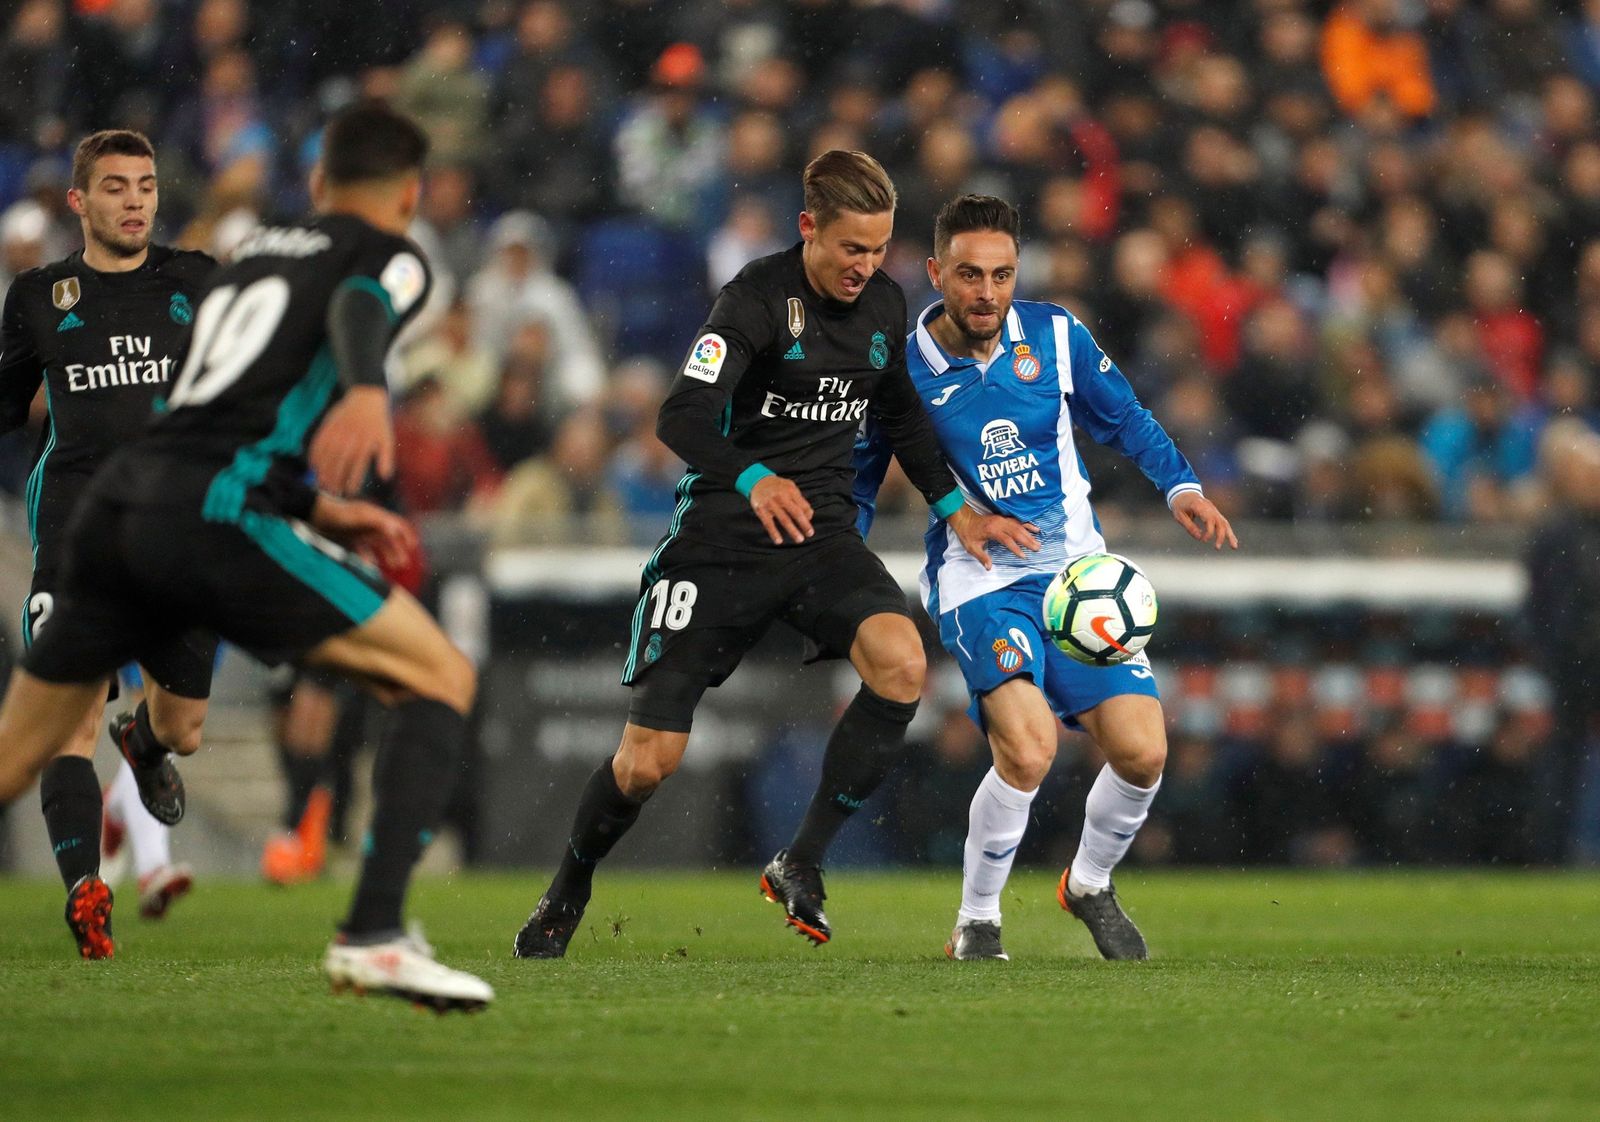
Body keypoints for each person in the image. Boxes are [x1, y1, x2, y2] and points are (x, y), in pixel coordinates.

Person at [0, 102, 492, 1012]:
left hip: (114, 512)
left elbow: (199, 413)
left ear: (315, 182)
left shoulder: (250, 258)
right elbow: (358, 304)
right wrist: (367, 388)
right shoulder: (385, 254)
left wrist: (316, 506)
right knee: (440, 679)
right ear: (409, 193)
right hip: (214, 516)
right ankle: (375, 935)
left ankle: (144, 741)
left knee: (16, 752)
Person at [513, 151, 1035, 958]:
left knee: (900, 664)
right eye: (850, 249)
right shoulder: (754, 301)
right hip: (719, 538)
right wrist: (753, 476)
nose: (866, 267)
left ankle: (801, 859)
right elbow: (681, 418)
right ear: (808, 230)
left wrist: (955, 510)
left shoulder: (886, 307)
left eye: (878, 250)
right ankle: (568, 887)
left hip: (819, 534)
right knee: (648, 762)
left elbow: (898, 413)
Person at [855, 195, 1237, 961]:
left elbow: (1125, 416)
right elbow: (862, 480)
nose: (986, 292)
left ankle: (1088, 883)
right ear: (936, 273)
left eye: (1001, 275)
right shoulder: (899, 368)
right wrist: (837, 575)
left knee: (1143, 754)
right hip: (980, 580)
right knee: (1028, 750)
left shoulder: (1055, 336)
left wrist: (1181, 486)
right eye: (968, 275)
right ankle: (979, 918)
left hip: (1075, 581)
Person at [0, 129, 218, 949]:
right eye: (117, 187)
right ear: (79, 202)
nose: (135, 201)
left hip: (175, 525)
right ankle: (86, 891)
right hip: (78, 524)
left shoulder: (197, 282)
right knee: (68, 717)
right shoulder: (38, 295)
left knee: (185, 726)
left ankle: (145, 740)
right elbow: (8, 400)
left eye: (147, 186)